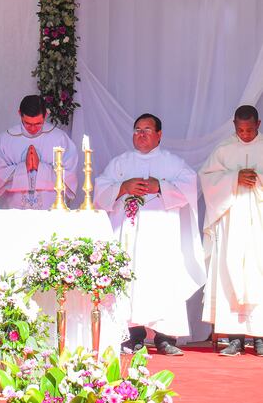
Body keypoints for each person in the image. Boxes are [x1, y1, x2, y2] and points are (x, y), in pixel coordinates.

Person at [94, 113, 205, 355]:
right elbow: (100, 190)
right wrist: (123, 187)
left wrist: (160, 187)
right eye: (137, 130)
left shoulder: (172, 163)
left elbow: (190, 186)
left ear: (159, 135)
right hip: (129, 234)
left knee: (162, 278)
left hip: (161, 234)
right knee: (130, 278)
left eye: (146, 129)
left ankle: (165, 338)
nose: (141, 134)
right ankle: (132, 335)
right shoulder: (120, 163)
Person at [199, 105, 263, 356]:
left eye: (249, 129)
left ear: (258, 124)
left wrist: (256, 179)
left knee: (258, 272)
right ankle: (234, 337)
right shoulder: (224, 149)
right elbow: (206, 177)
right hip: (231, 219)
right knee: (230, 268)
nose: (245, 134)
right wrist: (233, 178)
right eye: (240, 129)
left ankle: (260, 336)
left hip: (258, 219)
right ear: (233, 125)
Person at [0, 95, 78, 209]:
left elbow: (70, 178)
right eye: (28, 123)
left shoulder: (60, 139)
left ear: (46, 115)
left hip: (50, 210)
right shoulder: (4, 140)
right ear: (20, 114)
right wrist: (24, 168)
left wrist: (40, 168)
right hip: (14, 211)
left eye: (38, 123)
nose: (33, 128)